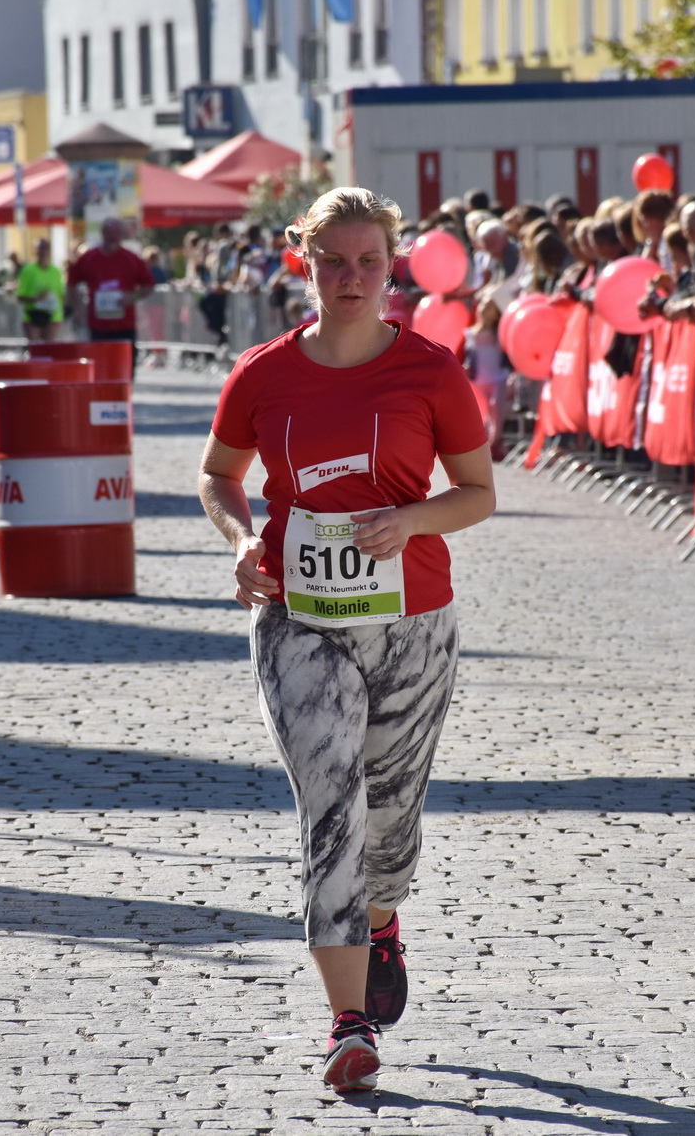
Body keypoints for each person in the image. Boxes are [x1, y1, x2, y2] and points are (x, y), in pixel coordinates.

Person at [196, 186, 495, 1094]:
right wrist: (243, 539)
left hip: (412, 620)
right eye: (334, 261)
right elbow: (217, 476)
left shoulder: (432, 371)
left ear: (393, 264)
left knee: (392, 816)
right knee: (331, 805)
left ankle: (383, 916)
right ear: (305, 262)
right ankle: (348, 1018)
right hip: (297, 620)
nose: (352, 277)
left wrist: (411, 520)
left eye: (368, 261)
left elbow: (477, 493)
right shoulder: (263, 372)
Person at [68, 218, 155, 367]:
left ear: (121, 235)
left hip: (124, 325)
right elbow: (71, 283)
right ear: (102, 234)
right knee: (100, 368)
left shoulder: (131, 259)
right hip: (98, 325)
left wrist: (131, 297)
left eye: (115, 234)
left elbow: (149, 285)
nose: (112, 238)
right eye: (108, 233)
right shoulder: (89, 258)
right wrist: (77, 309)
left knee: (125, 368)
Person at [464, 296, 510, 459]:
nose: (484, 310)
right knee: (482, 411)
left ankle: (495, 440)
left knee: (496, 406)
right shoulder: (470, 333)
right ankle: (482, 444)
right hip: (479, 380)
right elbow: (469, 357)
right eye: (483, 306)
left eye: (490, 307)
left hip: (498, 377)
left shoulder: (499, 333)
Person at [16, 237, 65, 345]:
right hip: (33, 316)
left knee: (50, 348)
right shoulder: (28, 271)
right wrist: (37, 298)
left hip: (52, 316)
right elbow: (20, 296)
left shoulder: (55, 271)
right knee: (36, 347)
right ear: (35, 251)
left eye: (46, 248)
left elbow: (61, 294)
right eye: (40, 248)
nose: (43, 252)